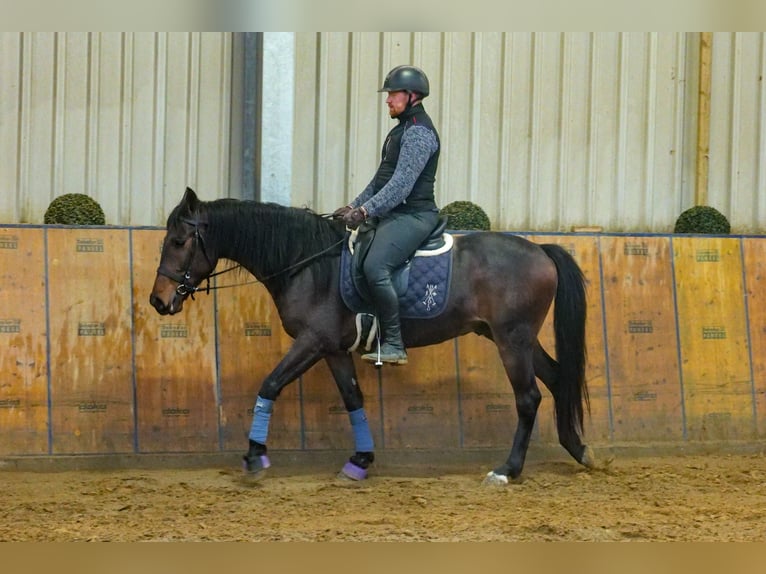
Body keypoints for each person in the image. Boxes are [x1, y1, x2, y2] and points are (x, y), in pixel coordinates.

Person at [333, 65, 441, 365]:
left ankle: (394, 342)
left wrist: (366, 211)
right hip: (396, 214)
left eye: (393, 94)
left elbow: (401, 185)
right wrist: (353, 206)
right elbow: (381, 180)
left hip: (415, 215)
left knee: (376, 266)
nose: (388, 100)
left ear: (412, 96)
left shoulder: (419, 132)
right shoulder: (400, 131)